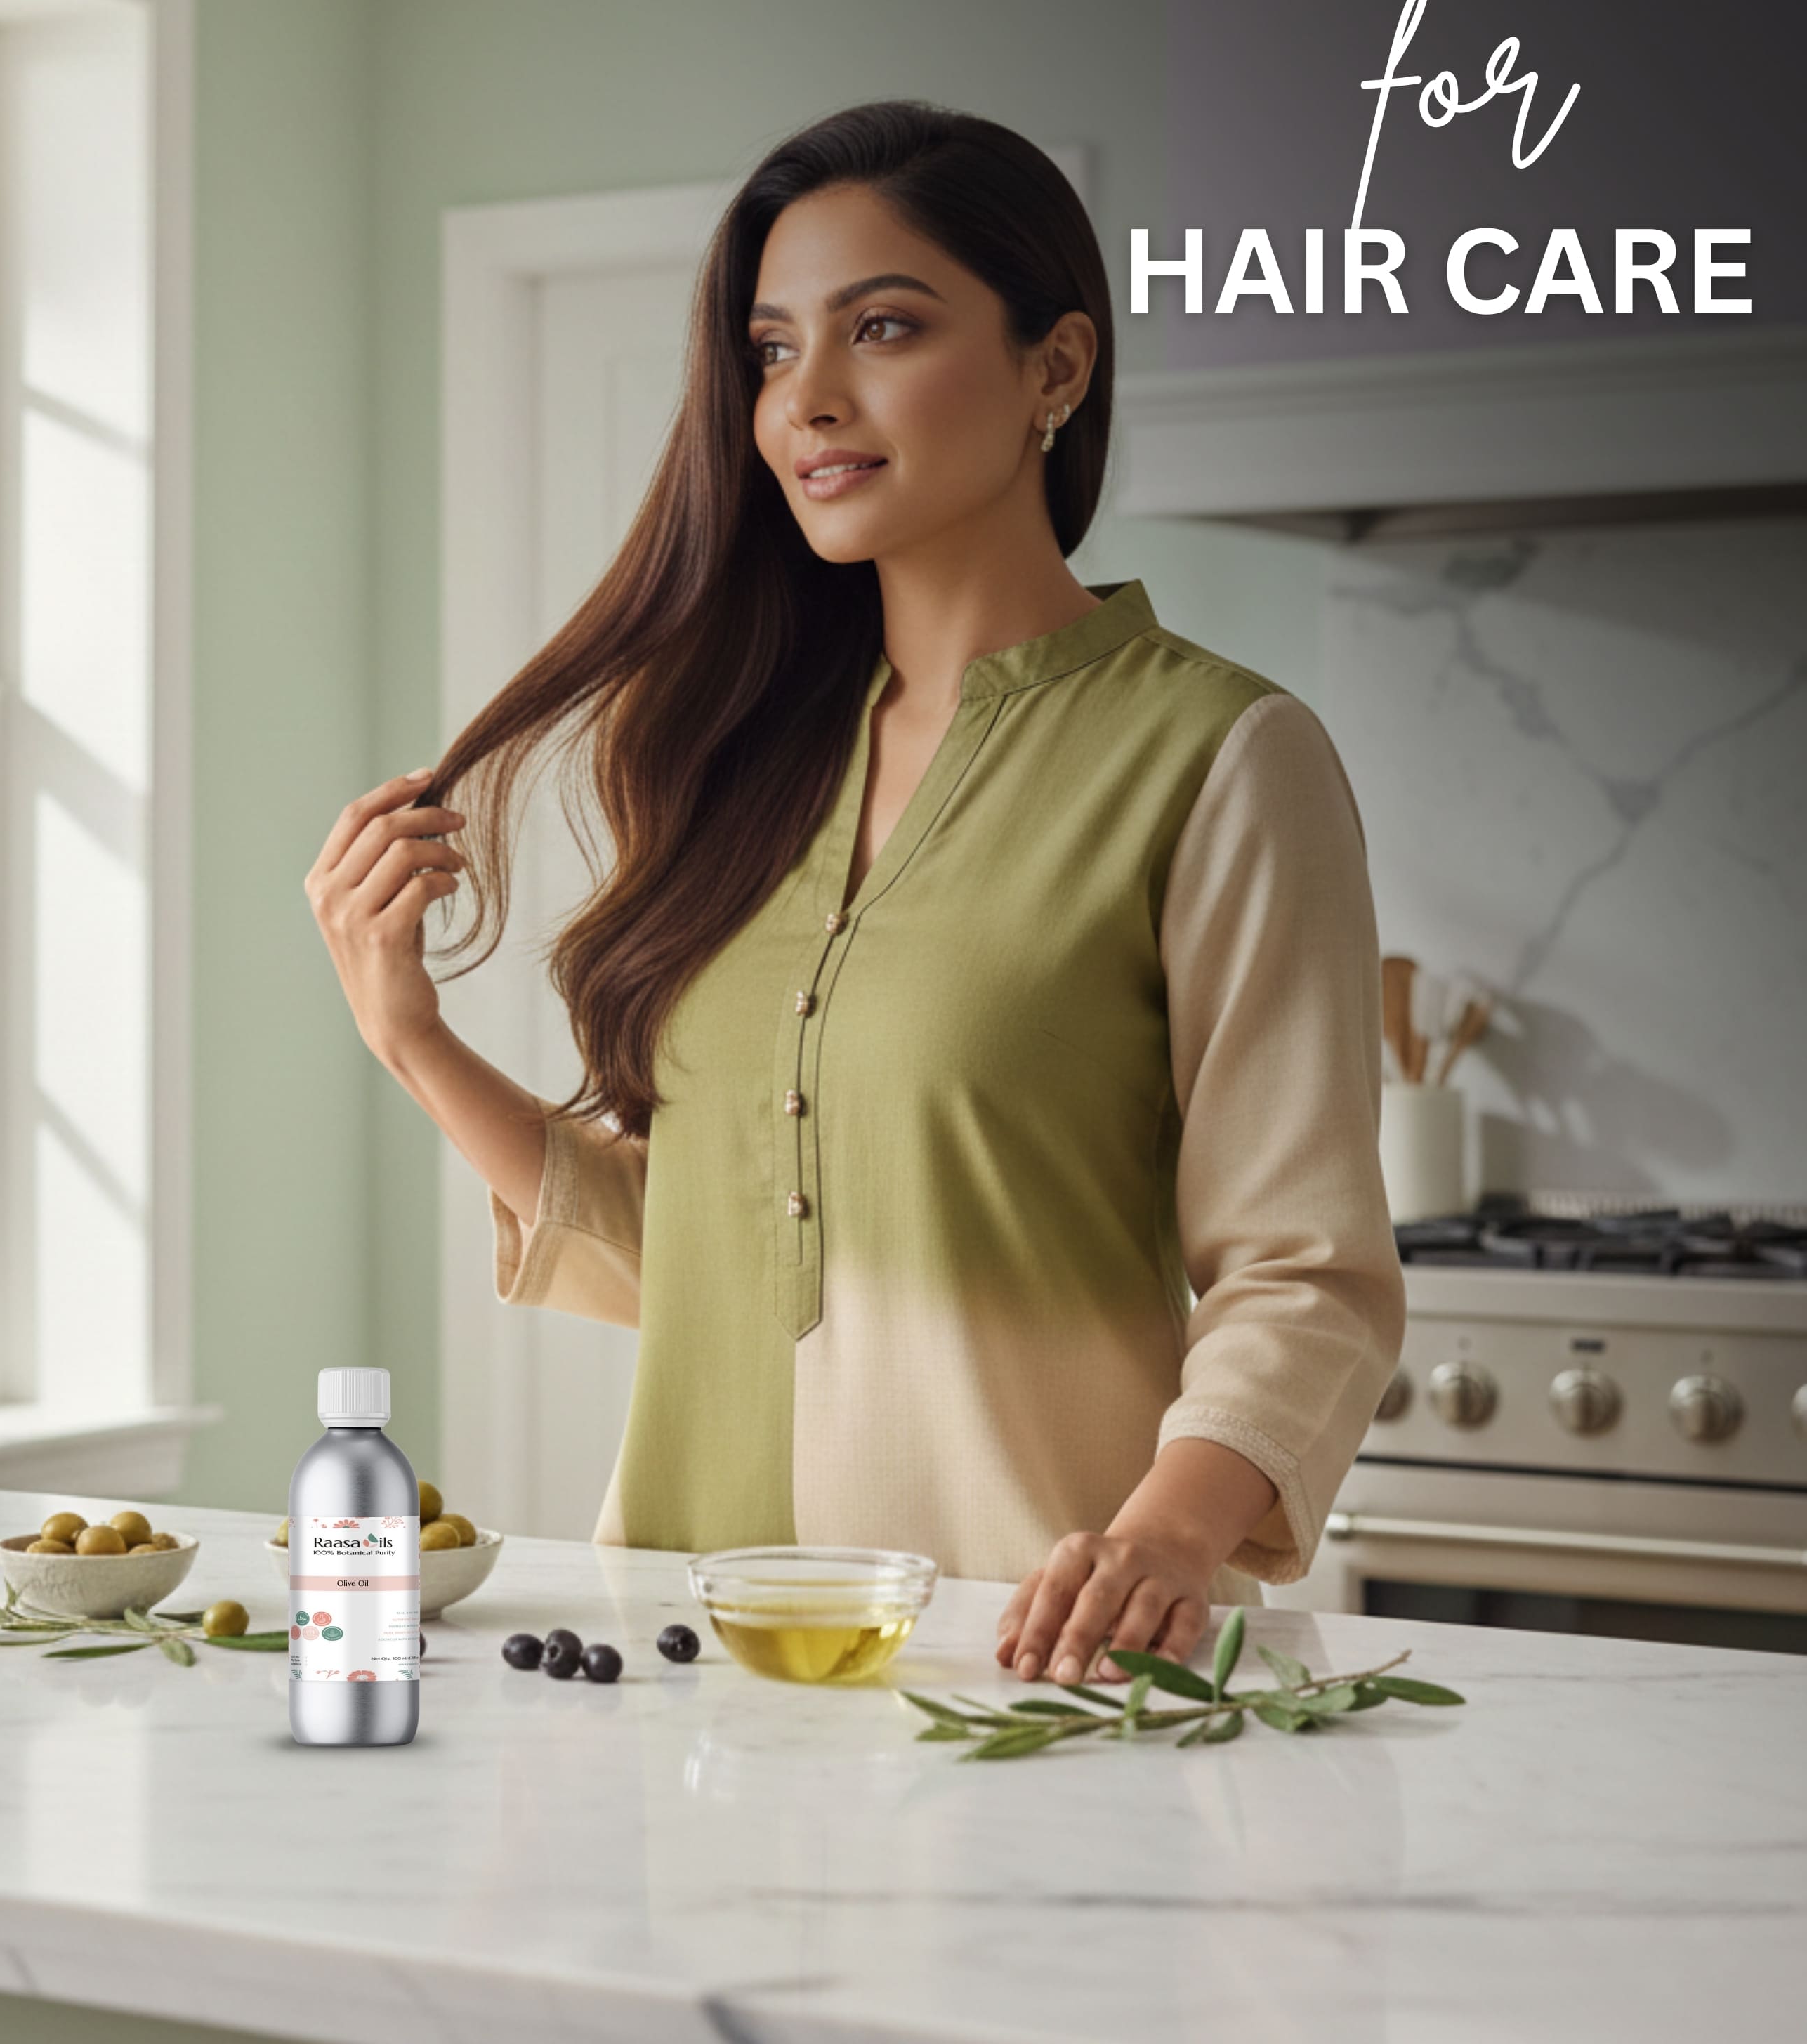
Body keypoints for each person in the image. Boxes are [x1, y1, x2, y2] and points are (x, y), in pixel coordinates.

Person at [307, 100, 1403, 1687]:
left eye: (882, 327)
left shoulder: (1219, 756)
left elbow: (1306, 1270)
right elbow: (705, 1242)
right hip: (695, 1661)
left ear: (1055, 367)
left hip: (1042, 1666)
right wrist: (408, 1035)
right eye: (769, 350)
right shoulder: (737, 762)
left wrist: (1167, 1536)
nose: (806, 398)